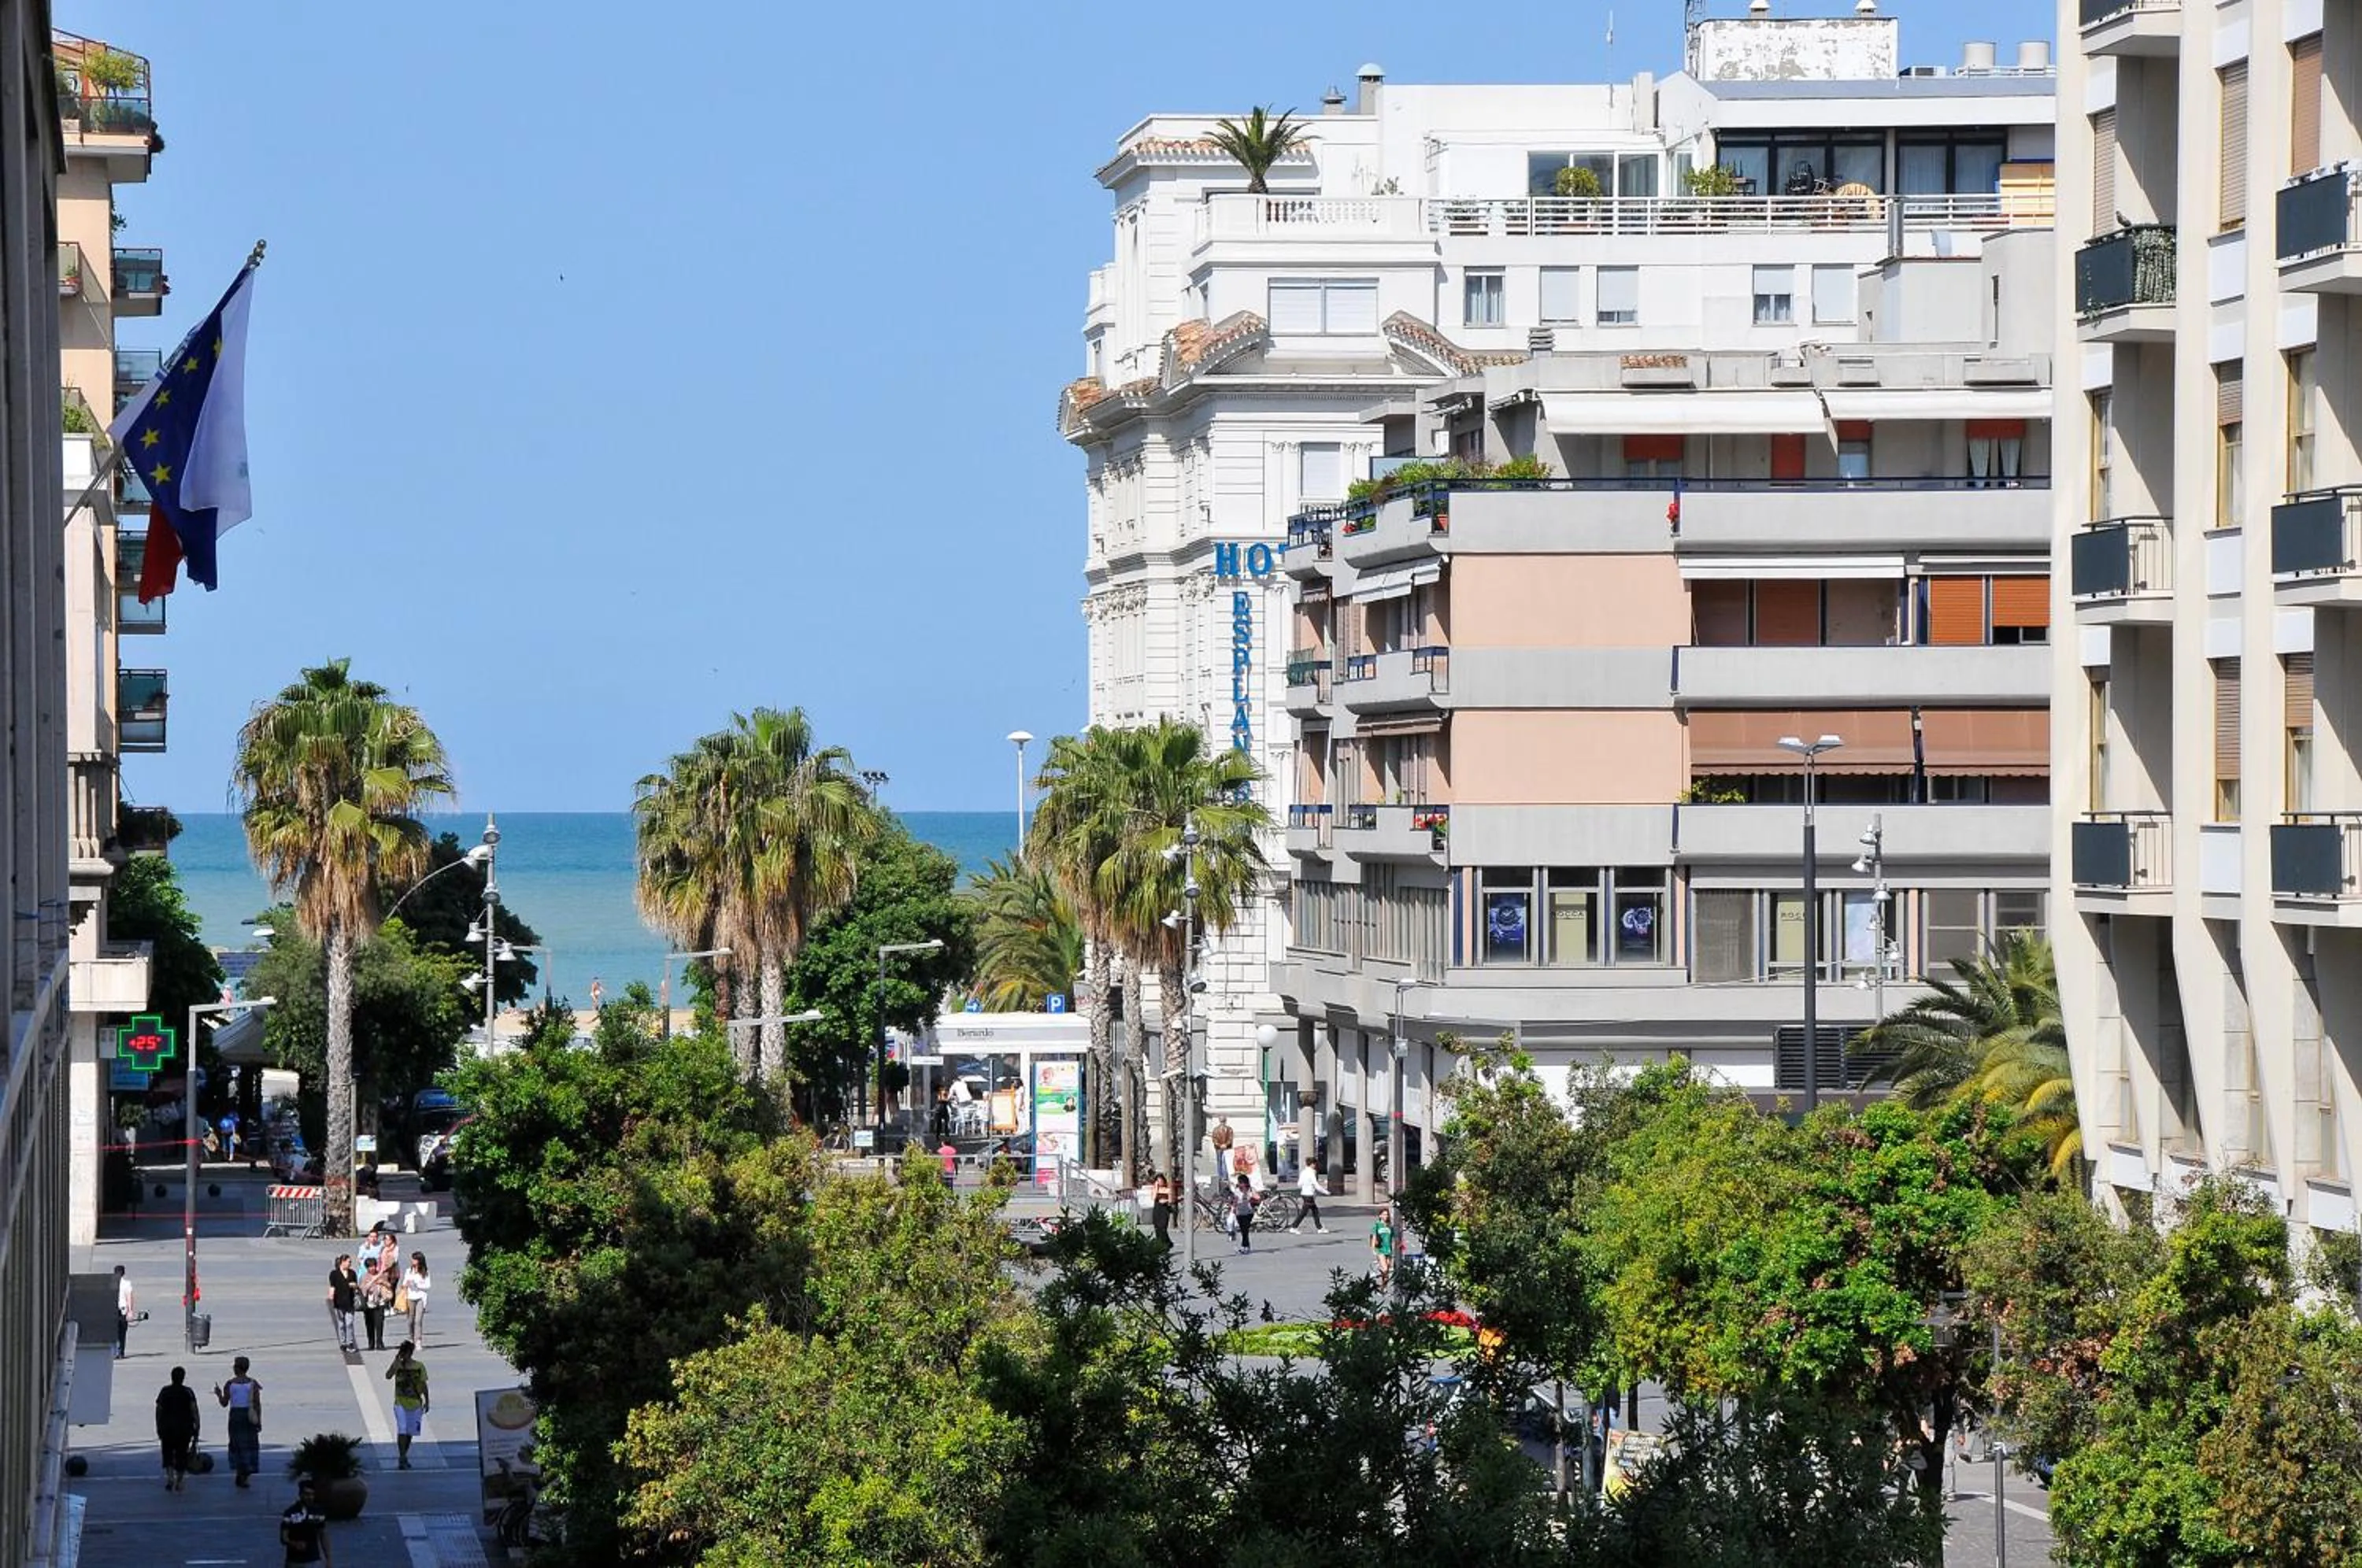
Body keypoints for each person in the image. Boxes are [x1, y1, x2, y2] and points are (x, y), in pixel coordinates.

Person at [215, 1355, 262, 1487]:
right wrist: (259, 1421)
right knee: (250, 1444)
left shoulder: (230, 1384)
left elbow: (224, 1403)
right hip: (249, 1415)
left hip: (235, 1416)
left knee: (237, 1444)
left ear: (237, 1368)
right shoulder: (253, 1384)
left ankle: (239, 1472)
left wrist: (218, 1394)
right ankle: (246, 1473)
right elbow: (257, 1404)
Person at [154, 1366, 200, 1492]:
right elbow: (194, 1410)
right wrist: (197, 1426)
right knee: (182, 1454)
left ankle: (170, 1478)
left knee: (167, 1453)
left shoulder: (165, 1391)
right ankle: (179, 1481)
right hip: (184, 1428)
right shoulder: (188, 1392)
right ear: (183, 1378)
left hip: (167, 1428)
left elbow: (159, 1410)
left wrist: (158, 1425)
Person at [385, 1340, 429, 1470]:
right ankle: (402, 1457)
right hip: (400, 1402)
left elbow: (423, 1384)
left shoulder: (419, 1366)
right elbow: (388, 1376)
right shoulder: (398, 1365)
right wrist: (395, 1364)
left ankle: (404, 1455)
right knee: (402, 1429)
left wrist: (427, 1400)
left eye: (407, 1353)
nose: (405, 1355)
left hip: (415, 1402)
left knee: (410, 1432)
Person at [280, 1477, 334, 1566]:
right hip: (294, 1561)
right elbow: (283, 1538)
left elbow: (323, 1534)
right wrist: (294, 1544)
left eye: (312, 1495)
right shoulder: (290, 1513)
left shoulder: (318, 1512)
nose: (310, 1497)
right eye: (307, 1494)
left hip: (313, 1559)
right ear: (300, 1494)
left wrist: (328, 1559)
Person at [358, 1256, 393, 1352]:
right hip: (369, 1304)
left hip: (380, 1303)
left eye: (373, 1266)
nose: (372, 1268)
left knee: (379, 1323)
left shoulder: (381, 1275)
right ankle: (371, 1343)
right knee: (369, 1324)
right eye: (370, 1267)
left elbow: (389, 1286)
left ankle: (380, 1342)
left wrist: (383, 1282)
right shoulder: (364, 1277)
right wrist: (369, 1286)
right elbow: (362, 1289)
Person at [326, 1256, 359, 1354]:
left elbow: (356, 1286)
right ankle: (343, 1343)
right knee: (341, 1324)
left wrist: (355, 1286)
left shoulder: (352, 1273)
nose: (350, 1264)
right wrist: (330, 1297)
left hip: (350, 1302)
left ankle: (350, 1343)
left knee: (349, 1323)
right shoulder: (334, 1274)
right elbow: (332, 1286)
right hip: (339, 1302)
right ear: (342, 1262)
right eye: (349, 1262)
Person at [399, 1252, 430, 1344]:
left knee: (418, 1320)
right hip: (410, 1297)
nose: (412, 1261)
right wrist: (406, 1284)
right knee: (410, 1320)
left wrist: (417, 1285)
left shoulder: (425, 1272)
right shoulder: (409, 1271)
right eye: (412, 1259)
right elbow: (403, 1284)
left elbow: (428, 1285)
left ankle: (419, 1340)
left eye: (414, 1259)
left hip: (420, 1297)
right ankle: (411, 1337)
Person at [1290, 1160, 1327, 1234]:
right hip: (1309, 1195)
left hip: (1304, 1194)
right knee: (1304, 1212)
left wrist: (1305, 1185)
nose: (1315, 1166)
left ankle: (1319, 1227)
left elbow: (1299, 1184)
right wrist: (1325, 1192)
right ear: (1312, 1164)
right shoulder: (1311, 1173)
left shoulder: (1303, 1172)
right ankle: (1294, 1227)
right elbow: (1316, 1185)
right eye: (1314, 1164)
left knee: (1315, 1211)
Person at [1228, 1174, 1260, 1256]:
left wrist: (1252, 1199)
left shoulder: (1251, 1190)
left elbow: (1258, 1199)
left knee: (1245, 1230)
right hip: (1239, 1213)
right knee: (1243, 1231)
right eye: (1239, 1182)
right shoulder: (1237, 1190)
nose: (1240, 1184)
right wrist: (1234, 1209)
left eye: (1241, 1182)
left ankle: (1244, 1246)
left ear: (1245, 1182)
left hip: (1249, 1212)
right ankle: (1246, 1246)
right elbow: (1235, 1200)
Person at [1148, 1170, 1173, 1251]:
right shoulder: (1155, 1189)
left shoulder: (1167, 1189)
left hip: (1164, 1209)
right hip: (1157, 1209)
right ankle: (1160, 1245)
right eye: (1158, 1181)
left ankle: (1167, 1243)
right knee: (1157, 1228)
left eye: (1161, 1180)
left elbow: (1170, 1201)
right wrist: (1156, 1187)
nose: (1160, 1182)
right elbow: (1154, 1198)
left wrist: (1165, 1201)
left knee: (1163, 1228)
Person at [1372, 1204, 1396, 1287]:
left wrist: (1399, 1244)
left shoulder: (1390, 1226)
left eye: (1387, 1215)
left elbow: (1393, 1238)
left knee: (1387, 1270)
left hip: (1388, 1249)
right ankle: (1383, 1286)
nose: (1386, 1216)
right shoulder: (1377, 1225)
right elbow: (1374, 1237)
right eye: (1384, 1214)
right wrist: (1373, 1249)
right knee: (1385, 1269)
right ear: (1380, 1215)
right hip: (1380, 1249)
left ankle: (1383, 1286)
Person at [114, 1265, 134, 1359]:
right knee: (122, 1332)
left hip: (112, 1310)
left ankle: (115, 1351)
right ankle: (121, 1352)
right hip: (123, 1310)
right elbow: (129, 1298)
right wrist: (130, 1311)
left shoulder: (111, 1283)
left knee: (114, 1332)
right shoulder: (127, 1284)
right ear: (124, 1273)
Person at [1209, 1116, 1234, 1189]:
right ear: (1219, 1121)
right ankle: (1220, 1176)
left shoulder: (1229, 1129)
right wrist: (1220, 1145)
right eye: (1222, 1121)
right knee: (1219, 1161)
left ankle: (1225, 1176)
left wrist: (1226, 1144)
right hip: (1219, 1148)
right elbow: (1214, 1139)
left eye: (1224, 1121)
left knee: (1225, 1161)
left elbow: (1230, 1138)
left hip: (1226, 1147)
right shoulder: (1216, 1130)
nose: (1223, 1122)